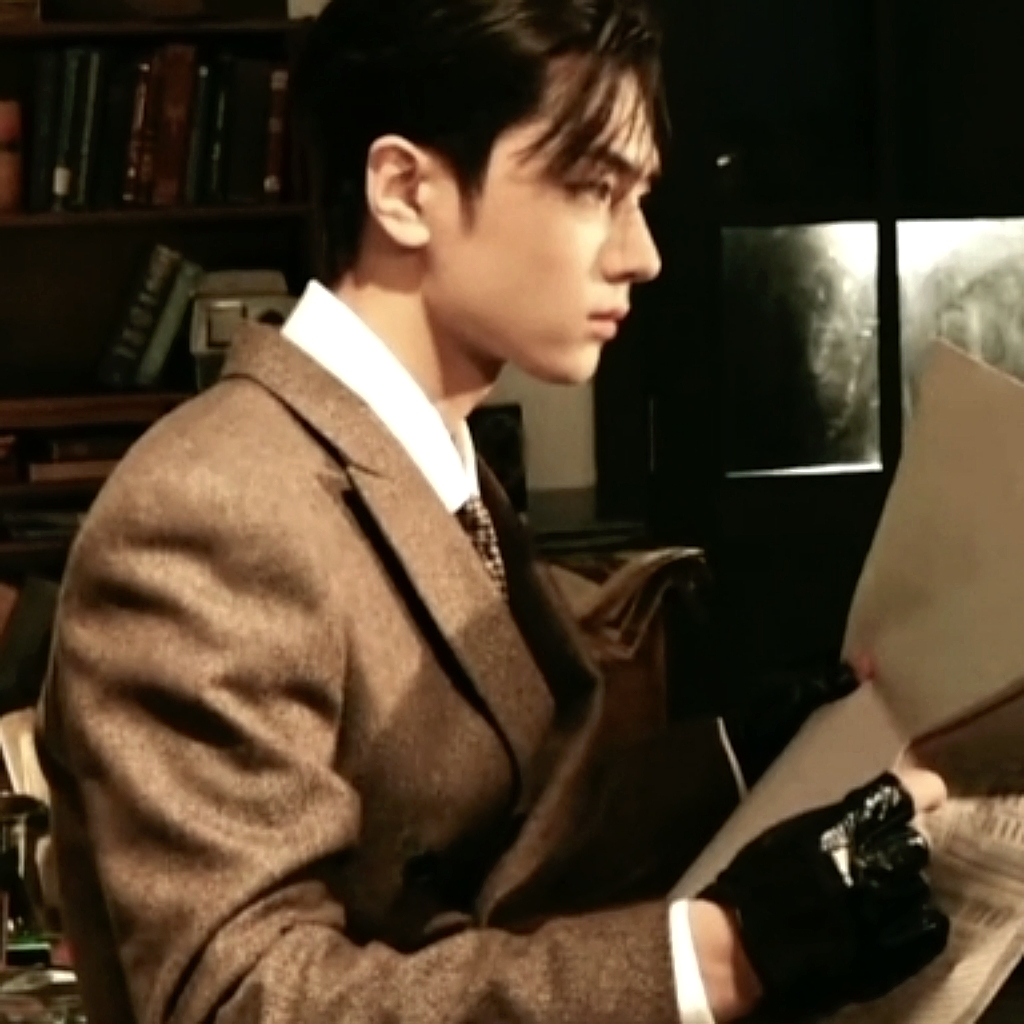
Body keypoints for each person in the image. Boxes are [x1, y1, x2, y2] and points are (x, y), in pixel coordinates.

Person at [35, 1, 949, 1022]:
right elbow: (245, 998)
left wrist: (741, 761)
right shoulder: (210, 512)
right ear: (404, 192)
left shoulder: (433, 460)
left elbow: (503, 846)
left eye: (638, 196)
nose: (642, 253)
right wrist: (716, 959)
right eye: (593, 189)